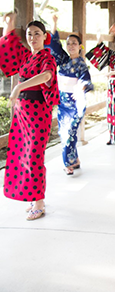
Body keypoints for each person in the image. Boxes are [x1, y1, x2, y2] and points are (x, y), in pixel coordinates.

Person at [0, 12, 59, 220]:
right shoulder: (27, 56)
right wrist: (9, 25)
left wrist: (19, 87)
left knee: (34, 155)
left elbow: (46, 76)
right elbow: (9, 49)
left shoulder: (47, 57)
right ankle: (33, 197)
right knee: (22, 153)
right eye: (29, 34)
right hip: (22, 113)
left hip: (38, 111)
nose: (32, 38)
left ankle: (40, 201)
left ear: (45, 36)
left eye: (36, 34)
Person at [48, 15, 94, 175]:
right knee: (65, 133)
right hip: (62, 103)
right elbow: (53, 45)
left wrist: (80, 88)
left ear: (80, 46)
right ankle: (73, 160)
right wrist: (54, 24)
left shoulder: (81, 63)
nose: (71, 46)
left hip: (76, 104)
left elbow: (86, 80)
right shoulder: (62, 59)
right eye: (68, 43)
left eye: (74, 43)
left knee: (70, 132)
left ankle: (68, 163)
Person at [86, 31, 115, 147]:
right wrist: (100, 38)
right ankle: (111, 136)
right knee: (110, 111)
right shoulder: (112, 55)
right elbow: (100, 51)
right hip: (111, 85)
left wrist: (111, 73)